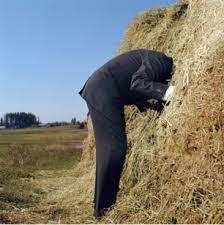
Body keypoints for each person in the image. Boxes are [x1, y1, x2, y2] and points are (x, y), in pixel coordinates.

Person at [78, 49, 175, 219]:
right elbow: (138, 83)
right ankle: (104, 210)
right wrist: (171, 93)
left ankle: (100, 206)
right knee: (115, 147)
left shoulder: (147, 60)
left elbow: (133, 86)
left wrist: (150, 106)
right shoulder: (162, 61)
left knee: (107, 150)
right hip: (104, 88)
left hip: (101, 87)